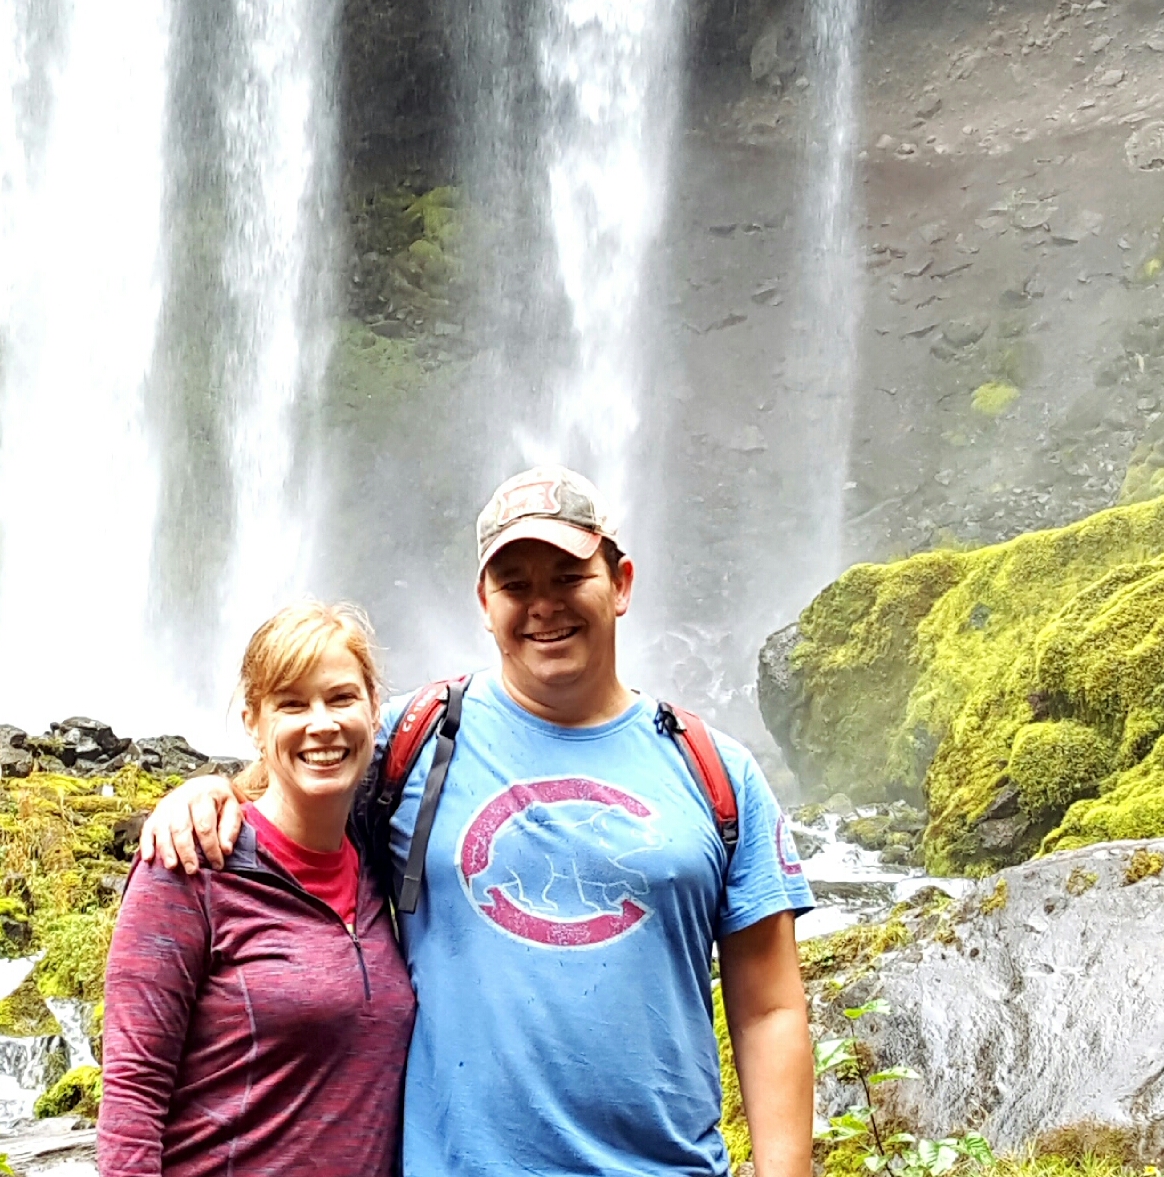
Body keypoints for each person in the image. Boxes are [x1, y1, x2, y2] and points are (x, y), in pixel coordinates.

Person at [140, 465, 816, 1177]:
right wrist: (211, 791)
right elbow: (297, 783)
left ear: (620, 584)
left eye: (569, 576)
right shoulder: (413, 740)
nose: (543, 605)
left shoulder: (715, 771)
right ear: (484, 603)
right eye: (515, 584)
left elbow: (769, 1010)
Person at [98, 598, 416, 1177]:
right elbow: (132, 1096)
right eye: (292, 703)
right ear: (254, 722)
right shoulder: (187, 866)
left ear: (375, 710)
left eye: (341, 698)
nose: (321, 723)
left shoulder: (379, 857)